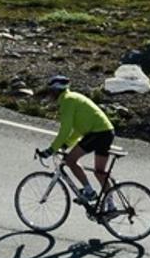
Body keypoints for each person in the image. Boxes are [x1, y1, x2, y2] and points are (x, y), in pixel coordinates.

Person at [50, 80, 120, 215]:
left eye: (49, 92)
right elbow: (77, 131)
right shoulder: (73, 97)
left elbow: (65, 129)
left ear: (55, 91)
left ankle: (89, 191)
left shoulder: (67, 101)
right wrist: (66, 144)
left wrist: (51, 149)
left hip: (98, 133)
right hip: (107, 131)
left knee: (70, 161)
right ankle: (111, 206)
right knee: (99, 172)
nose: (49, 96)